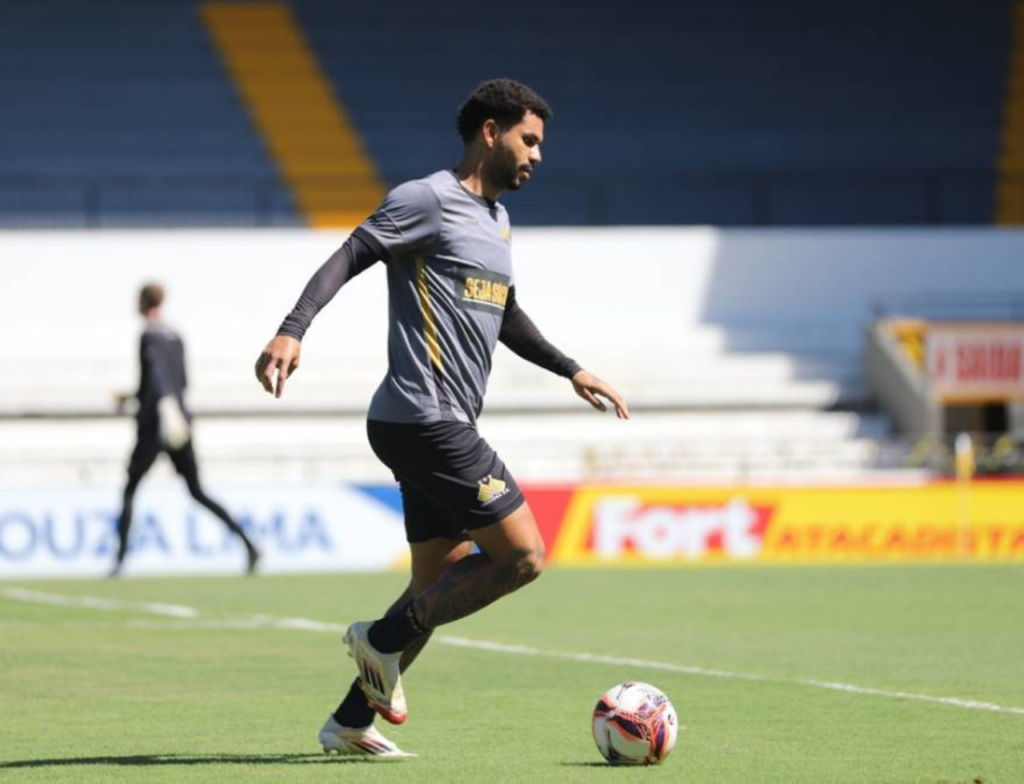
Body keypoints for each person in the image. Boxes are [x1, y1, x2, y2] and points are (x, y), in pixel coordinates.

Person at [255, 78, 629, 759]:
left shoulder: (497, 223)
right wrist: (292, 328)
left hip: (433, 423)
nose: (538, 155)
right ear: (490, 131)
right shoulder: (426, 199)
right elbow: (352, 253)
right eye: (529, 139)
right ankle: (380, 638)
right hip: (422, 418)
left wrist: (572, 367)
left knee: (438, 579)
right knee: (522, 557)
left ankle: (348, 722)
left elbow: (505, 312)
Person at [111, 283, 260, 577]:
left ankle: (120, 561)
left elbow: (153, 382)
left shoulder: (147, 337)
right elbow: (182, 383)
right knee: (197, 491)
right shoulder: (175, 336)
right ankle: (248, 543)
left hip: (156, 424)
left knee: (130, 489)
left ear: (143, 302)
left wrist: (138, 401)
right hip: (181, 420)